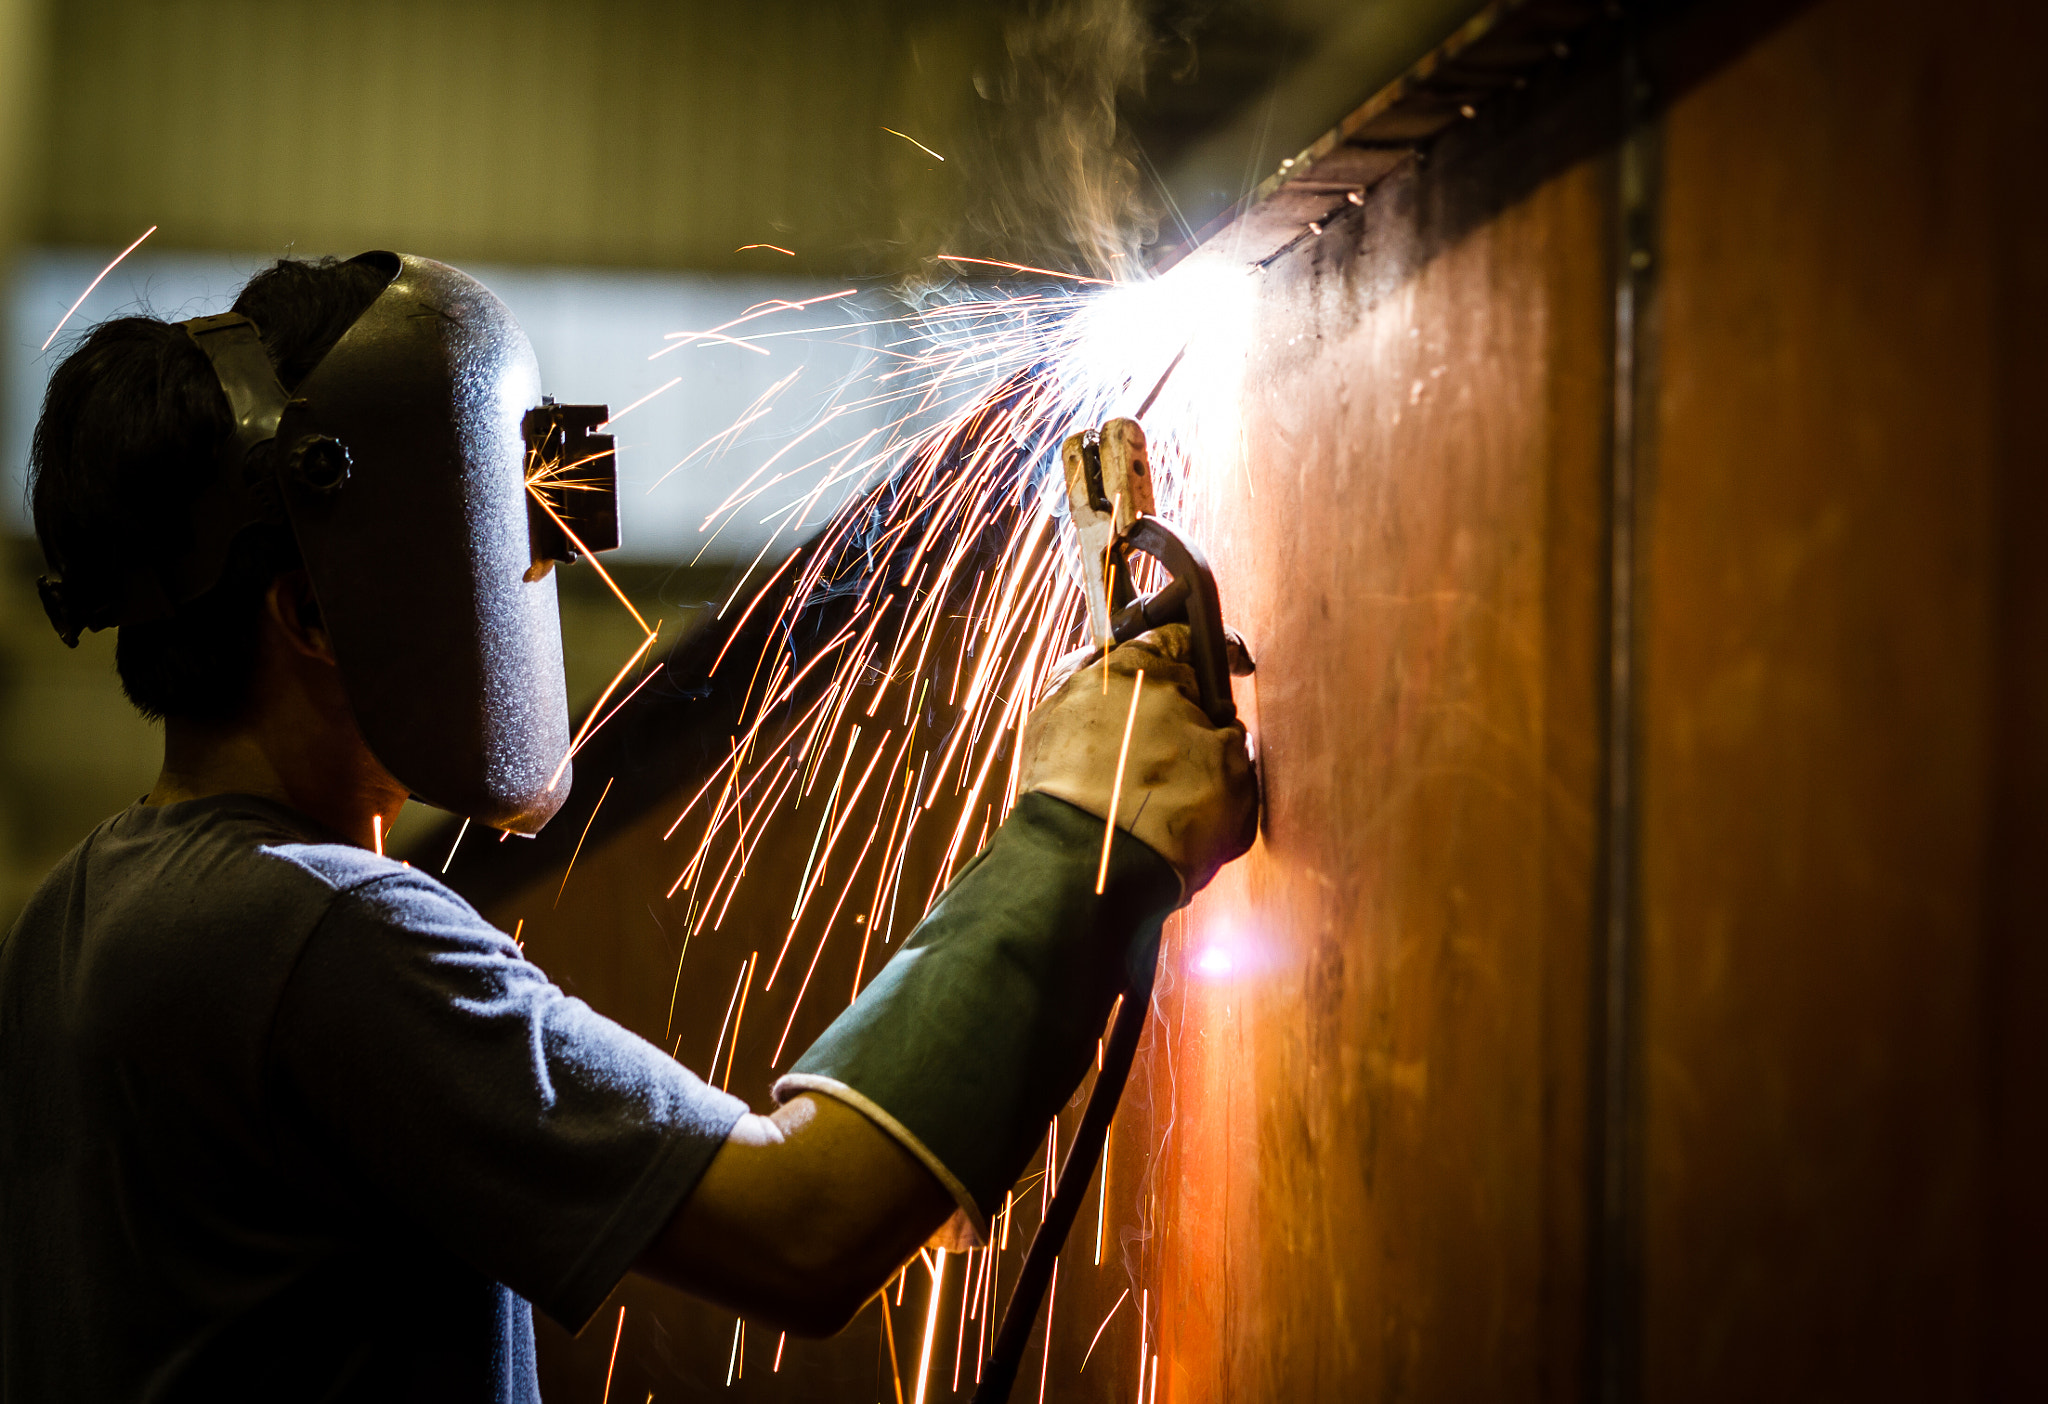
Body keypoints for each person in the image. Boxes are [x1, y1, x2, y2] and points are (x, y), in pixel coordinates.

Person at [0, 253, 1257, 1402]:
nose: (529, 572)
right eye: (486, 540)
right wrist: (1078, 828)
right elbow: (805, 1228)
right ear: (311, 617)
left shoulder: (81, 913)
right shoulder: (320, 939)